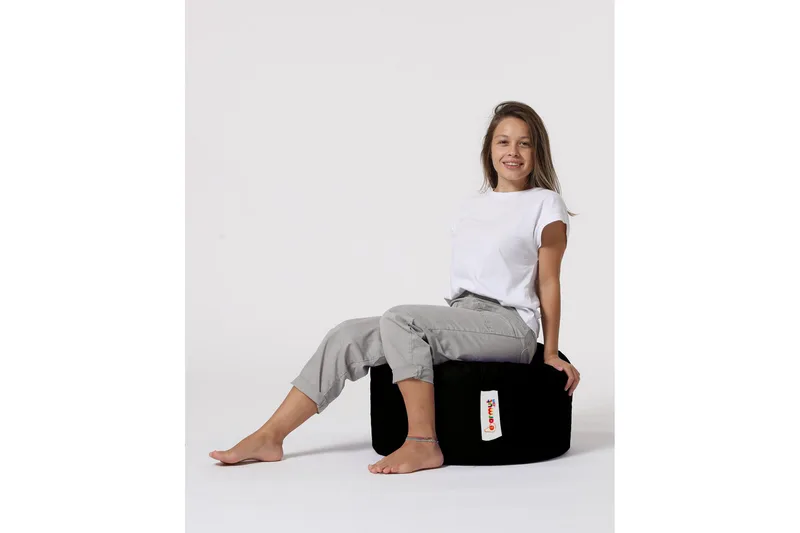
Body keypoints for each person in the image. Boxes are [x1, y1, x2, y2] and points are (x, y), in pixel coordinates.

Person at [209, 101, 580, 474]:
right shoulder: (471, 206)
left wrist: (549, 353)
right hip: (464, 315)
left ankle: (423, 443)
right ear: (489, 149)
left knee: (402, 319)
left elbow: (549, 281)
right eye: (503, 142)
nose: (513, 152)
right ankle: (270, 436)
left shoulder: (546, 204)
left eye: (524, 143)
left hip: (509, 325)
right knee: (347, 335)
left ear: (537, 151)